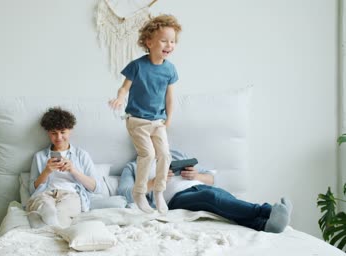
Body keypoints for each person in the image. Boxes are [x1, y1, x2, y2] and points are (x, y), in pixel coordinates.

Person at [118, 149, 293, 233]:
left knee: (223, 200)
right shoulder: (134, 167)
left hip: (200, 186)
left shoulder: (176, 154)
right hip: (175, 199)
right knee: (211, 196)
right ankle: (269, 210)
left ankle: (265, 225)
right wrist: (155, 181)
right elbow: (124, 193)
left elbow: (212, 178)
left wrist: (197, 176)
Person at [109, 15, 182, 214]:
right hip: (137, 121)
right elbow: (124, 88)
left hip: (158, 121)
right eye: (164, 40)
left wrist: (169, 119)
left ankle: (159, 192)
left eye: (173, 41)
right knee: (147, 154)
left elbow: (169, 98)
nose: (169, 45)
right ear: (149, 42)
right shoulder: (138, 65)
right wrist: (120, 99)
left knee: (165, 155)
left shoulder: (170, 70)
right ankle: (139, 193)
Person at [26, 107, 102, 227]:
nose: (59, 137)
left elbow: (96, 188)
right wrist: (46, 171)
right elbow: (32, 190)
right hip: (45, 194)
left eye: (62, 132)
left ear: (70, 130)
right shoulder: (39, 156)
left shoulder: (81, 155)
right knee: (45, 207)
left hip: (70, 195)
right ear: (48, 133)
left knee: (62, 213)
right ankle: (50, 220)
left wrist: (73, 170)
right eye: (54, 133)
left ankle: (54, 227)